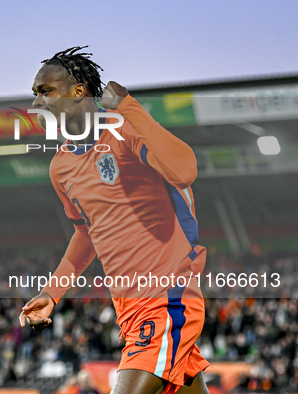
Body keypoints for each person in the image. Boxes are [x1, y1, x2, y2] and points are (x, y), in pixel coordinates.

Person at [19, 46, 210, 394]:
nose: (36, 103)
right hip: (129, 308)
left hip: (167, 295)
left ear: (78, 92)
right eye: (34, 95)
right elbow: (86, 233)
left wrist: (129, 107)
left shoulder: (125, 131)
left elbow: (185, 171)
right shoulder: (60, 167)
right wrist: (53, 291)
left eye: (44, 91)